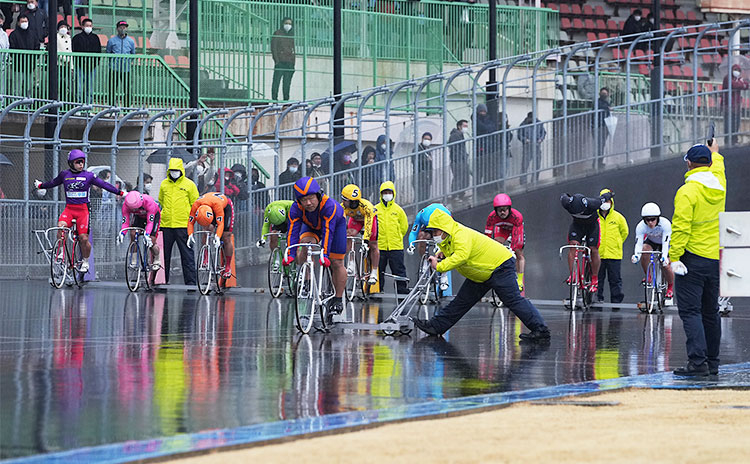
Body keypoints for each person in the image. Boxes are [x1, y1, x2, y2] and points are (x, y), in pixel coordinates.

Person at [411, 209, 550, 341]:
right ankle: (436, 326)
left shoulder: (460, 235)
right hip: (482, 272)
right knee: (461, 301)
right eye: (433, 231)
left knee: (512, 300)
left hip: (500, 266)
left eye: (436, 231)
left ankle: (541, 330)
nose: (434, 234)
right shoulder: (448, 237)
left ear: (444, 228)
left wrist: (439, 266)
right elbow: (452, 251)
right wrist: (441, 254)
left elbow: (461, 256)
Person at [669, 141, 726, 377]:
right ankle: (712, 362)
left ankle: (697, 363)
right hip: (715, 258)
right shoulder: (719, 185)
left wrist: (674, 257)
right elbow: (719, 168)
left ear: (689, 164)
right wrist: (716, 152)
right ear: (710, 164)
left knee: (691, 312)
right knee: (711, 312)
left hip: (691, 259)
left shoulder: (687, 191)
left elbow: (681, 227)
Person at [34, 149, 124, 274]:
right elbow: (53, 183)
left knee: (83, 238)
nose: (81, 165)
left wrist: (120, 192)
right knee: (61, 227)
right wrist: (40, 185)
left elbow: (104, 185)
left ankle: (85, 260)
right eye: (78, 162)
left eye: (82, 162)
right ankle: (61, 253)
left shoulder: (88, 176)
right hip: (69, 209)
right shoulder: (64, 174)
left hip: (83, 211)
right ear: (71, 163)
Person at [283, 177, 348, 316]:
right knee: (306, 243)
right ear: (298, 201)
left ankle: (338, 298)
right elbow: (293, 232)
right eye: (303, 200)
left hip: (335, 227)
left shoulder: (329, 205)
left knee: (337, 262)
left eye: (311, 198)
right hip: (312, 226)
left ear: (318, 195)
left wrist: (324, 255)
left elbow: (328, 232)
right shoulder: (296, 208)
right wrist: (290, 254)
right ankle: (306, 278)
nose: (308, 203)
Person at [158, 157, 199, 286]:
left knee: (187, 256)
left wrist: (191, 221)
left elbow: (195, 203)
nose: (174, 172)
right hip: (166, 224)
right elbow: (161, 200)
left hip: (183, 225)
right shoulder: (164, 184)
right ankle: (162, 280)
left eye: (176, 170)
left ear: (181, 170)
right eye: (172, 170)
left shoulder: (189, 184)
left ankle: (191, 282)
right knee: (163, 256)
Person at [561, 191, 610, 293]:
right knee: (572, 246)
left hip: (592, 226)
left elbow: (604, 198)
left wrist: (610, 194)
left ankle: (595, 279)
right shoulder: (567, 203)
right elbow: (564, 196)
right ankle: (573, 275)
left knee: (593, 249)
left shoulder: (593, 204)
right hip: (577, 225)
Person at [186, 192, 235, 279]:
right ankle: (205, 256)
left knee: (226, 236)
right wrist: (190, 235)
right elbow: (190, 222)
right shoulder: (196, 205)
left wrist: (217, 236)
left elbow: (220, 224)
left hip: (224, 207)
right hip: (208, 207)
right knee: (207, 230)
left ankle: (227, 266)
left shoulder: (218, 205)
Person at [632, 202, 674, 299]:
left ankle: (670, 288)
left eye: (653, 219)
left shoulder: (665, 224)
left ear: (658, 218)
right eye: (647, 220)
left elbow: (665, 243)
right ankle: (649, 276)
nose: (650, 222)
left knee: (666, 265)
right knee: (644, 250)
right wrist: (636, 256)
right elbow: (638, 243)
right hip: (652, 241)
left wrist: (664, 257)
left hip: (666, 242)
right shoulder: (641, 226)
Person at [485, 194, 525, 293]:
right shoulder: (492, 217)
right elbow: (488, 235)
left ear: (509, 208)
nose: (502, 212)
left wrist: (513, 249)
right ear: (495, 210)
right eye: (499, 210)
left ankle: (519, 280)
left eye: (505, 209)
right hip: (502, 229)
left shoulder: (517, 216)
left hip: (516, 229)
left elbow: (517, 238)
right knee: (496, 245)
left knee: (518, 252)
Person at [340, 183, 380, 285]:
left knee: (373, 244)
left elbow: (368, 225)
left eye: (345, 200)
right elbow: (341, 222)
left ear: (352, 201)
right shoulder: (342, 207)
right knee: (348, 235)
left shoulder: (367, 207)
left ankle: (374, 272)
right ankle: (351, 262)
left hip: (369, 219)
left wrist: (366, 241)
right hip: (356, 220)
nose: (343, 202)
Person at [407, 202, 452, 291]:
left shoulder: (446, 215)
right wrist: (411, 244)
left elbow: (451, 234)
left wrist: (441, 247)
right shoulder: (421, 215)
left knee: (444, 242)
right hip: (428, 224)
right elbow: (413, 232)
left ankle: (444, 275)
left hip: (441, 225)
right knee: (422, 236)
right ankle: (425, 260)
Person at [596, 188, 629, 304]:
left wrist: (617, 242)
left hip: (614, 254)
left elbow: (625, 232)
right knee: (597, 279)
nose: (606, 203)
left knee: (615, 280)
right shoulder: (594, 217)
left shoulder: (618, 217)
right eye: (604, 200)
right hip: (598, 254)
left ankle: (616, 301)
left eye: (608, 201)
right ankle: (597, 298)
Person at [376, 181, 409, 294]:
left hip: (396, 246)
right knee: (379, 270)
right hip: (379, 246)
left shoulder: (398, 210)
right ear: (381, 194)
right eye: (384, 192)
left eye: (389, 192)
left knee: (399, 269)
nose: (387, 194)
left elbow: (404, 226)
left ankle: (402, 289)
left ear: (393, 193)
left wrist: (397, 236)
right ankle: (377, 289)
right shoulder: (375, 209)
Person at [118, 191, 162, 270]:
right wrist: (122, 233)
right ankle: (134, 261)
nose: (135, 209)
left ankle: (157, 259)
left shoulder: (149, 202)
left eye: (136, 208)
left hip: (153, 216)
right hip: (139, 217)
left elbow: (150, 223)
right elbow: (125, 222)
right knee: (133, 234)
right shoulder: (125, 206)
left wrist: (147, 234)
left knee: (151, 240)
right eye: (133, 209)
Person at [106, 20, 135, 107]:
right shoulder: (111, 41)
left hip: (126, 69)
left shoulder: (131, 41)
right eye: (121, 27)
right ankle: (111, 107)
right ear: (117, 29)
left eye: (125, 27)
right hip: (114, 68)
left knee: (127, 89)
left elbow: (132, 54)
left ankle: (127, 107)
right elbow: (108, 52)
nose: (123, 29)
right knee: (112, 88)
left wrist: (128, 63)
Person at [72, 17, 101, 104]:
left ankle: (89, 107)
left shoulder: (95, 38)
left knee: (90, 89)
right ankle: (78, 108)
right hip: (80, 66)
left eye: (90, 25)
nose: (89, 27)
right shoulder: (77, 38)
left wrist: (95, 63)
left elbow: (98, 52)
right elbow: (73, 51)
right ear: (82, 26)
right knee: (79, 88)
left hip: (92, 67)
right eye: (87, 25)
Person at [721, 64, 748, 146]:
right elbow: (733, 85)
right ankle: (728, 141)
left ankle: (734, 140)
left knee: (736, 124)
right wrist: (741, 83)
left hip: (736, 106)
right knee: (729, 124)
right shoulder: (727, 78)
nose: (737, 72)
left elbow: (747, 85)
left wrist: (741, 83)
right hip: (728, 105)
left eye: (739, 70)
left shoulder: (738, 79)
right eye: (736, 70)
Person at [518, 112, 546, 185]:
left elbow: (543, 132)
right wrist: (525, 140)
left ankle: (534, 181)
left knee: (537, 166)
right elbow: (519, 135)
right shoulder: (523, 124)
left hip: (536, 147)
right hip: (527, 147)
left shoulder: (539, 123)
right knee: (525, 166)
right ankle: (523, 183)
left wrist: (541, 139)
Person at [270, 17, 295, 101]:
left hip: (289, 62)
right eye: (286, 23)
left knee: (287, 84)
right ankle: (274, 100)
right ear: (282, 24)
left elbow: (293, 49)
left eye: (290, 24)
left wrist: (293, 62)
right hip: (280, 62)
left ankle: (286, 100)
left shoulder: (291, 35)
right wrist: (277, 61)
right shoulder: (277, 33)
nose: (288, 25)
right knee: (276, 82)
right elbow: (274, 48)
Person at [474, 103, 498, 185]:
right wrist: (487, 129)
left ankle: (487, 186)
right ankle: (478, 187)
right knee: (480, 169)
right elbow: (482, 127)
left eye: (484, 111)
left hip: (489, 148)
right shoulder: (475, 118)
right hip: (480, 147)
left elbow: (493, 127)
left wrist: (487, 128)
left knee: (489, 169)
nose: (483, 113)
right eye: (481, 111)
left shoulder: (489, 118)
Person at [448, 119, 471, 196]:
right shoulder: (455, 135)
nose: (466, 128)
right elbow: (455, 149)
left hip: (461, 160)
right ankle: (455, 195)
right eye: (464, 126)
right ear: (459, 126)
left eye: (466, 126)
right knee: (458, 178)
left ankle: (460, 194)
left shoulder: (460, 135)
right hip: (457, 161)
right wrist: (461, 157)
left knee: (463, 178)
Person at [412, 132, 434, 203]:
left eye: (429, 139)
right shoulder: (417, 149)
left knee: (426, 196)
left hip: (427, 176)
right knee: (419, 196)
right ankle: (417, 210)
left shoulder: (428, 150)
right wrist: (426, 160)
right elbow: (415, 161)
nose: (427, 140)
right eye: (425, 139)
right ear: (422, 139)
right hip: (419, 175)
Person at [593, 87, 611, 165]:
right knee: (598, 145)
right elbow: (598, 107)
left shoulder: (607, 103)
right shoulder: (597, 102)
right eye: (602, 93)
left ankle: (600, 161)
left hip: (604, 126)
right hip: (597, 126)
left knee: (602, 144)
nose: (604, 95)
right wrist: (607, 108)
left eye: (605, 93)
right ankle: (595, 162)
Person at [56, 20, 73, 100]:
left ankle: (65, 100)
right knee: (59, 83)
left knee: (67, 84)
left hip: (68, 65)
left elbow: (70, 51)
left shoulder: (69, 38)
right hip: (59, 64)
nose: (63, 29)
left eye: (65, 27)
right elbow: (57, 50)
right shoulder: (56, 37)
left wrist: (72, 66)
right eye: (61, 27)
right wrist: (65, 60)